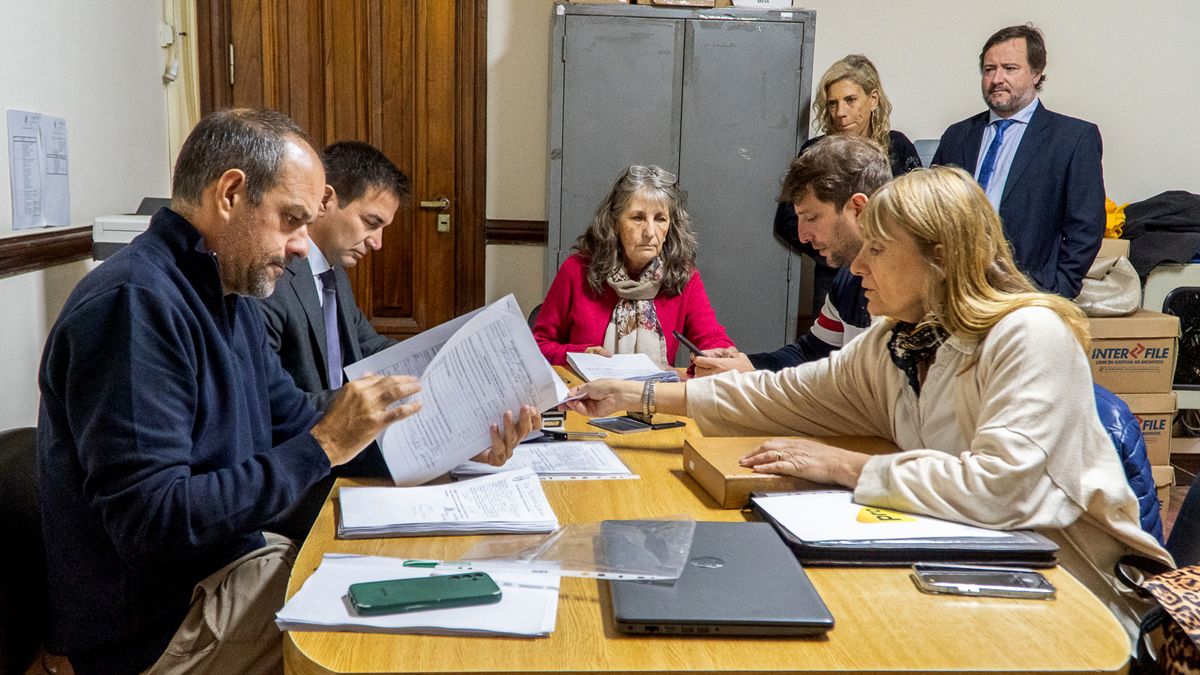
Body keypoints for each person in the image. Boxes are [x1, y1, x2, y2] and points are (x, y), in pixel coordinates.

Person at [563, 166, 1171, 643]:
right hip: (966, 572)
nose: (856, 266)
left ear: (940, 255)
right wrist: (643, 394)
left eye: (876, 249)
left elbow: (1000, 488)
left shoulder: (1029, 334)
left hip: (1073, 603)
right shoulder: (897, 341)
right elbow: (782, 393)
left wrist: (844, 466)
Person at [37, 109, 538, 675]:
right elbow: (153, 523)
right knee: (405, 648)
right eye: (291, 220)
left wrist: (452, 445)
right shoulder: (136, 303)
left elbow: (298, 420)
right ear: (230, 194)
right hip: (163, 627)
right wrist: (322, 447)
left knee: (435, 594)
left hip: (232, 567)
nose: (302, 246)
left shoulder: (227, 294)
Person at [932, 24, 1105, 299]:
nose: (997, 79)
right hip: (956, 291)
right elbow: (932, 212)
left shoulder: (1073, 139)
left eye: (1009, 68)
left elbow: (1086, 227)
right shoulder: (958, 136)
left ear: (1036, 73)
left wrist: (1059, 288)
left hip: (1030, 293)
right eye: (989, 69)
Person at [694, 135, 887, 376]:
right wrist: (746, 364)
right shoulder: (847, 279)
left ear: (857, 208)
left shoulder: (909, 290)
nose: (802, 236)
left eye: (812, 217)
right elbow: (810, 353)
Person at [533, 164, 733, 368]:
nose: (650, 232)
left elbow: (713, 340)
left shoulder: (682, 274)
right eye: (638, 218)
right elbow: (538, 347)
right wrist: (581, 355)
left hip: (655, 388)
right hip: (586, 387)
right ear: (614, 223)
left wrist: (723, 355)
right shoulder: (577, 270)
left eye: (660, 219)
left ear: (670, 227)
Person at [774, 55, 922, 312]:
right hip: (833, 274)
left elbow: (916, 214)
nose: (840, 113)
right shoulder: (816, 152)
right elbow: (786, 218)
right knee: (826, 334)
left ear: (873, 99)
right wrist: (831, 249)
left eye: (850, 100)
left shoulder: (898, 147)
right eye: (833, 103)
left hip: (890, 272)